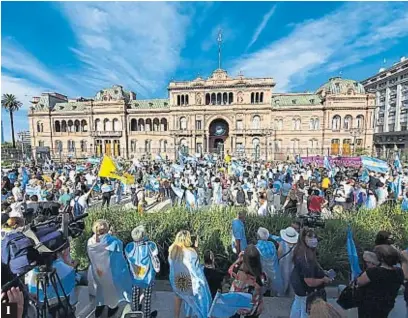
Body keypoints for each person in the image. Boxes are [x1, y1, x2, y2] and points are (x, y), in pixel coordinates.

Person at [87, 219, 132, 317]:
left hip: (97, 272)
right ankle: (111, 311)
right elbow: (119, 246)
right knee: (112, 294)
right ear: (106, 229)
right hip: (109, 273)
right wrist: (112, 236)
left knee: (101, 292)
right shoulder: (111, 241)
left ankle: (99, 311)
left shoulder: (90, 242)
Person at [290, 228, 332, 318]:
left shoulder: (299, 250)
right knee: (306, 310)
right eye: (310, 237)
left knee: (297, 304)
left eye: (314, 237)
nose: (314, 239)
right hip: (305, 289)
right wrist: (323, 279)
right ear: (304, 238)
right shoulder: (306, 258)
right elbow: (309, 282)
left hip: (297, 285)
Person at [168, 230, 211, 318]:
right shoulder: (191, 252)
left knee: (178, 297)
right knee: (199, 298)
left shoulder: (172, 250)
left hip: (177, 281)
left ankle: (176, 316)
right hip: (189, 283)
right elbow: (196, 270)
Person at [356, 244, 404, 318]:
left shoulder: (374, 271)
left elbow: (358, 282)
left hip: (369, 307)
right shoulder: (399, 272)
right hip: (387, 305)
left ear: (380, 258)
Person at [125, 225, 159, 318]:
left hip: (135, 275)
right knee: (147, 297)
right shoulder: (150, 245)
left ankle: (135, 313)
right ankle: (147, 315)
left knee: (135, 294)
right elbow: (155, 259)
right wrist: (157, 269)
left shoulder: (129, 246)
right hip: (148, 276)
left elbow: (127, 258)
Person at [228, 245, 266, 318]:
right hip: (252, 307)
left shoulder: (238, 272)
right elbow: (261, 290)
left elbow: (230, 270)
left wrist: (239, 259)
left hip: (237, 305)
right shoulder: (261, 276)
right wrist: (261, 302)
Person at [256, 227, 283, 296]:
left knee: (263, 289)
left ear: (258, 236)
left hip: (264, 273)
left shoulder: (256, 247)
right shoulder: (272, 244)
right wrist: (269, 235)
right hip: (274, 273)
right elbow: (280, 239)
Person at [278, 226, 299, 297]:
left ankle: (281, 295)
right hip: (292, 265)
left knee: (283, 279)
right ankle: (290, 295)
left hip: (283, 265)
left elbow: (279, 254)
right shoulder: (297, 244)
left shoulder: (282, 243)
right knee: (291, 280)